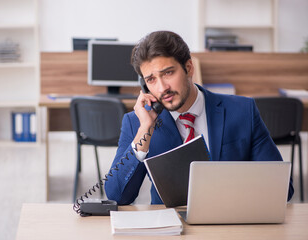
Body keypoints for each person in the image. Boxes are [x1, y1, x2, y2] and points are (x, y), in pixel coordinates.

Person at [104, 31, 294, 205]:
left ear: (188, 67)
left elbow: (283, 189)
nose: (162, 88)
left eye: (168, 73)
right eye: (151, 79)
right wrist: (144, 131)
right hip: (171, 226)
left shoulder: (243, 111)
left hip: (230, 221)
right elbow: (117, 196)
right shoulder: (137, 123)